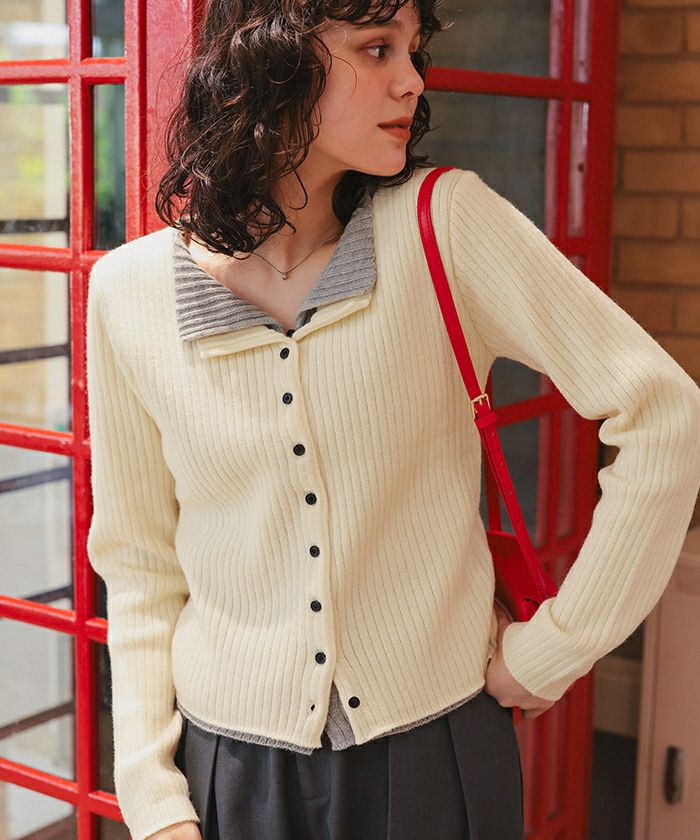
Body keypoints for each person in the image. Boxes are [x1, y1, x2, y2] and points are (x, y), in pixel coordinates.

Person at [85, 0, 700, 838]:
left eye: (414, 51)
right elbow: (140, 566)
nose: (411, 80)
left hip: (435, 756)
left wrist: (557, 648)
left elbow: (665, 414)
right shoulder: (128, 293)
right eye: (377, 48)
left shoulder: (445, 227)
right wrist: (152, 801)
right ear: (274, 57)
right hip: (227, 770)